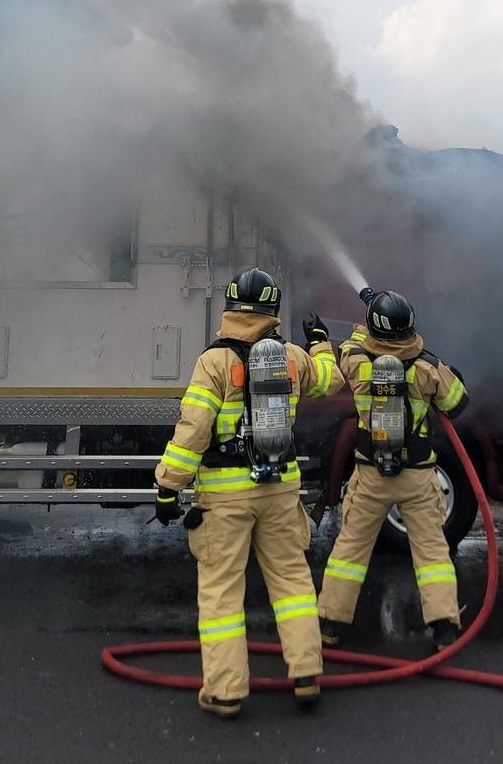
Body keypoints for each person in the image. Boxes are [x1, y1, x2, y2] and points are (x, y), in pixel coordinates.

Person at [154, 267, 345, 719]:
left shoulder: (214, 362)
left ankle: (225, 691)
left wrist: (168, 486)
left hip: (225, 498)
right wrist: (319, 341)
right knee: (293, 583)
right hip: (281, 490)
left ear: (231, 305)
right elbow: (331, 379)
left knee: (222, 592)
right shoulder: (291, 357)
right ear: (274, 309)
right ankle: (305, 674)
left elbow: (193, 431)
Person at [317, 288, 469, 650]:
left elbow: (353, 345)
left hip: (370, 475)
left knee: (349, 551)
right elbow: (457, 403)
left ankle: (329, 624)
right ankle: (445, 628)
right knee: (432, 554)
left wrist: (364, 320)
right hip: (417, 477)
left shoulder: (357, 362)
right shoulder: (429, 367)